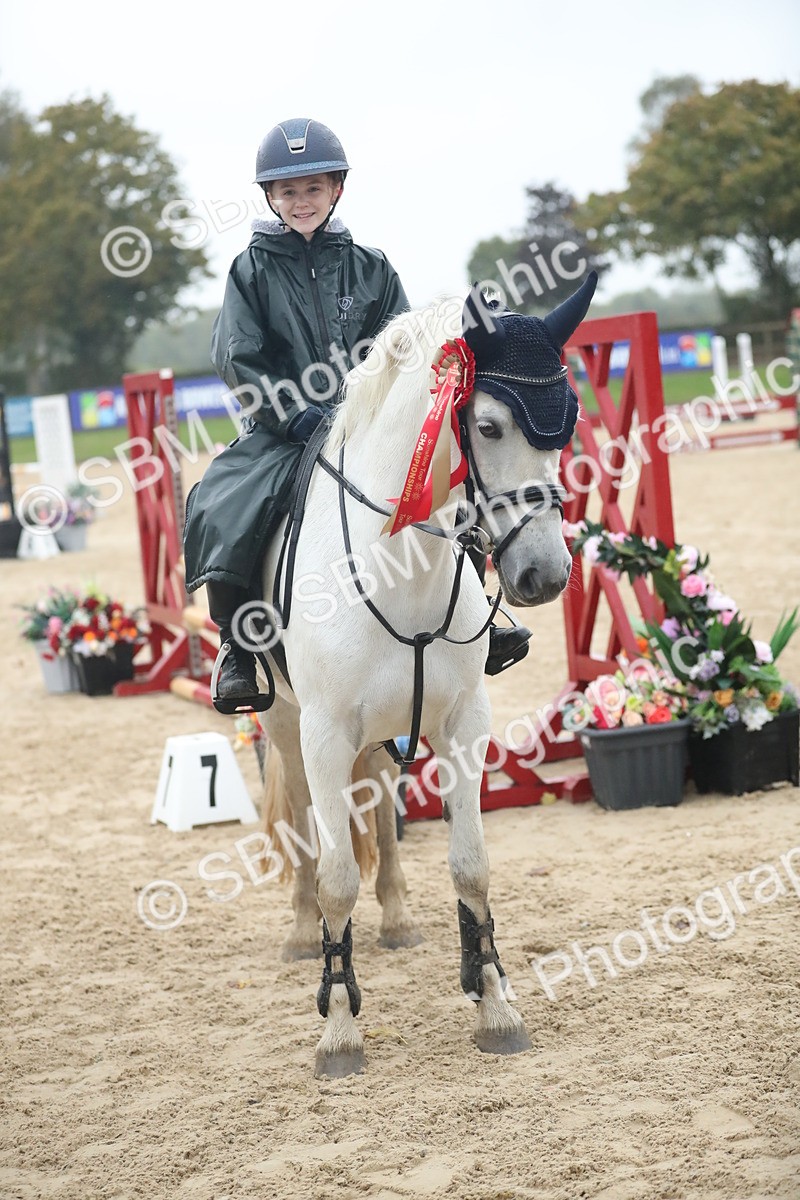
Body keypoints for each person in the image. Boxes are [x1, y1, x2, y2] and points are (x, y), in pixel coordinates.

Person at [183, 117, 529, 713]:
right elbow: (239, 357)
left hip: (368, 430)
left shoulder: (372, 267)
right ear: (270, 196)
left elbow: (404, 349)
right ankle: (240, 646)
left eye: (313, 188)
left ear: (336, 188)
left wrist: (375, 414)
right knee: (218, 500)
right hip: (283, 433)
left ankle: (480, 617)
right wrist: (294, 415)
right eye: (288, 191)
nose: (301, 201)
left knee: (453, 485)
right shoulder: (250, 270)